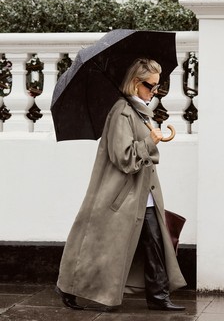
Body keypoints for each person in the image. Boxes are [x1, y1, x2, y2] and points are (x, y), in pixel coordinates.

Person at [55, 58, 186, 311]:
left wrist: (150, 138)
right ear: (136, 83)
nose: (155, 92)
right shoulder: (121, 112)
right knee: (102, 248)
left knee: (155, 242)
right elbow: (123, 157)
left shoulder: (137, 111)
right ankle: (68, 285)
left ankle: (158, 296)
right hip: (123, 196)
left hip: (142, 193)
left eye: (158, 87)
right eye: (151, 86)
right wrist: (150, 141)